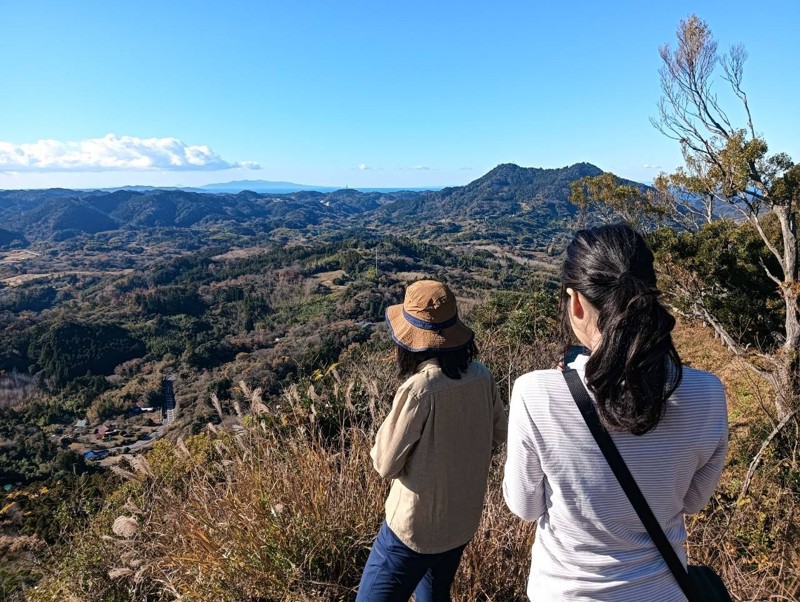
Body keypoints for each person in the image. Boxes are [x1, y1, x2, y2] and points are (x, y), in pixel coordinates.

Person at [503, 224, 728, 601]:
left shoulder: (535, 393)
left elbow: (525, 507)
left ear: (575, 302)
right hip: (665, 592)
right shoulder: (708, 393)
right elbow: (693, 502)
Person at [356, 279, 507, 602]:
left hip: (412, 530)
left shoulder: (419, 390)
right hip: (460, 521)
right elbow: (500, 435)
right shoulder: (481, 375)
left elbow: (385, 464)